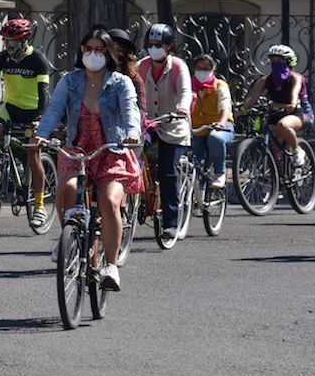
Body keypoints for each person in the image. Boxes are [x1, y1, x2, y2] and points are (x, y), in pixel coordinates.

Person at [35, 28, 142, 289]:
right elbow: (54, 111)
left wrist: (131, 134)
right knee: (67, 189)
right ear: (81, 52)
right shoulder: (69, 81)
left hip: (111, 150)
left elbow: (131, 112)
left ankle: (111, 265)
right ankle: (70, 237)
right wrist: (41, 135)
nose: (93, 54)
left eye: (99, 50)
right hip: (78, 150)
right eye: (88, 49)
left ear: (108, 53)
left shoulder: (120, 82)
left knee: (108, 200)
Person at [0, 18, 52, 228]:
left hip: (33, 111)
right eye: (5, 41)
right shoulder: (1, 58)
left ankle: (39, 206)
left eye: (11, 42)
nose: (7, 46)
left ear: (23, 41)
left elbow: (44, 93)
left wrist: (41, 119)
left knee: (33, 154)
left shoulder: (38, 59)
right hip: (10, 107)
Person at [137, 23, 192, 240]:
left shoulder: (179, 67)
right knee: (132, 154)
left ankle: (171, 223)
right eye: (150, 45)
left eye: (158, 45)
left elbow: (186, 92)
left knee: (167, 172)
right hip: (149, 123)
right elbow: (133, 89)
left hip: (174, 126)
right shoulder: (142, 66)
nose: (154, 48)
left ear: (168, 46)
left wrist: (182, 108)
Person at [240, 44, 306, 168]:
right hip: (275, 113)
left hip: (294, 113)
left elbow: (294, 93)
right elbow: (253, 98)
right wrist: (241, 111)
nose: (275, 63)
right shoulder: (266, 80)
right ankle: (278, 169)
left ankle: (297, 150)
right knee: (270, 135)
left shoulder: (295, 78)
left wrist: (291, 104)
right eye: (273, 60)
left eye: (279, 60)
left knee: (283, 125)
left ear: (288, 62)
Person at [189, 54, 234, 189]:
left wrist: (221, 123)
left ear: (213, 69)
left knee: (215, 138)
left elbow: (224, 107)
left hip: (221, 127)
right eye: (199, 68)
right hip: (197, 129)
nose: (202, 71)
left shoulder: (220, 85)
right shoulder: (189, 86)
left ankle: (220, 173)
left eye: (206, 68)